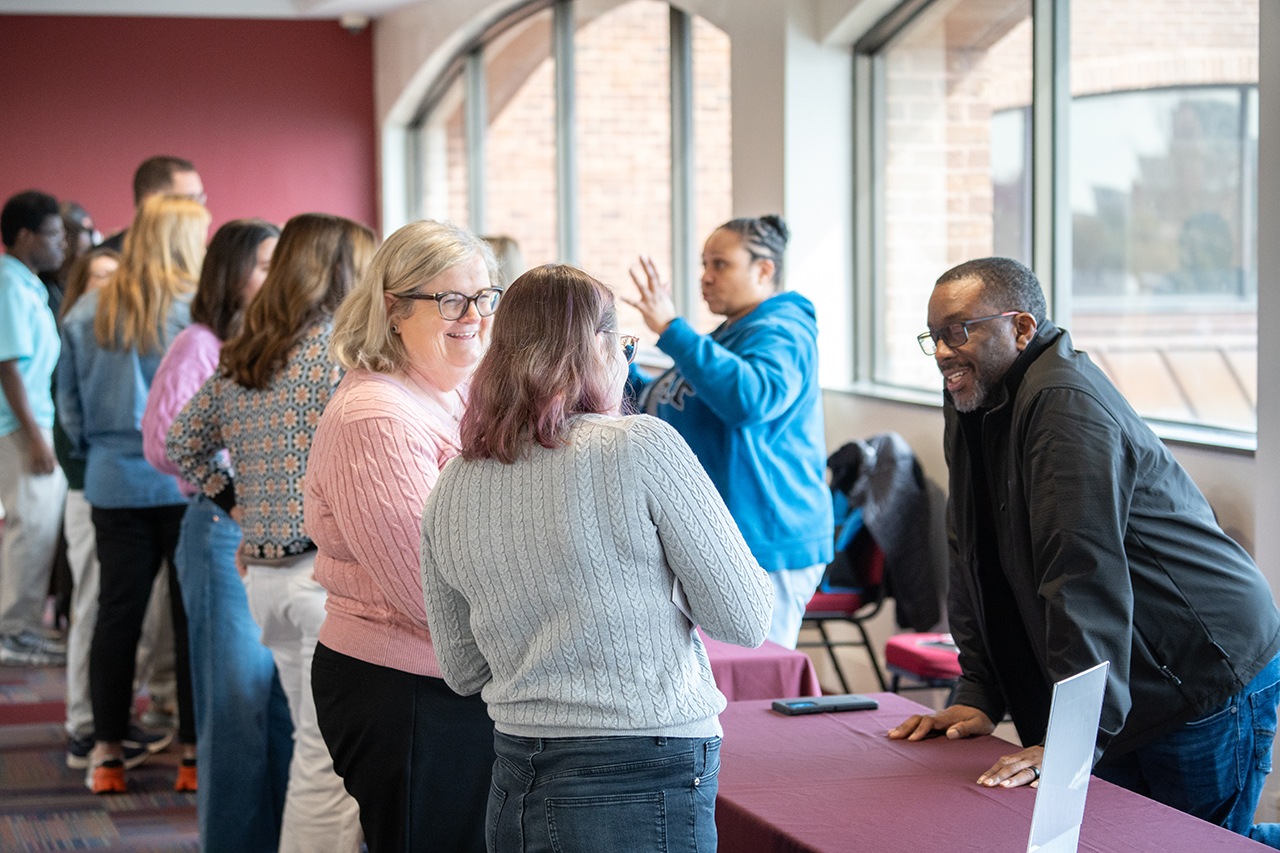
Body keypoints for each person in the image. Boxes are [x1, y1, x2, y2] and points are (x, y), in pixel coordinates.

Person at [887, 256, 1280, 847]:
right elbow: (971, 550)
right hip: (1124, 679)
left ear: (1021, 328)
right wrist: (979, 692)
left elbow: (1080, 577)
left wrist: (1074, 740)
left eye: (960, 330)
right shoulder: (973, 395)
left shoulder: (1063, 404)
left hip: (1199, 669)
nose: (944, 351)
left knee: (1198, 844)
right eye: (936, 335)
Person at [420, 264, 774, 853]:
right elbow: (745, 619)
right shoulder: (641, 446)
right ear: (597, 346)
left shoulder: (454, 480)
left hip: (515, 768)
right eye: (626, 345)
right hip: (642, 764)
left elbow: (462, 671)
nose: (628, 362)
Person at [168, 213, 373, 853]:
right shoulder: (339, 354)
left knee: (312, 755)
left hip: (266, 578)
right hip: (322, 581)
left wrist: (241, 508)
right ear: (341, 271)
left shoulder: (249, 352)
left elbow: (183, 443)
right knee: (330, 766)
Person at [307, 220, 499, 852]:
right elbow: (424, 591)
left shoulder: (456, 392)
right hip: (403, 690)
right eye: (450, 300)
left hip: (455, 681)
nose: (472, 316)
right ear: (393, 308)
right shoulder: (376, 417)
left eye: (484, 297)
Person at [142, 219, 290, 852]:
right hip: (220, 528)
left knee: (278, 707)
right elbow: (163, 443)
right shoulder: (200, 344)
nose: (274, 276)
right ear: (231, 274)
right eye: (262, 264)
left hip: (273, 533)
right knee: (235, 711)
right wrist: (241, 470)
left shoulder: (272, 342)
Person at [57, 194, 210, 793]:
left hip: (112, 481)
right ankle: (193, 758)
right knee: (189, 617)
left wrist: (102, 448)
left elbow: (68, 411)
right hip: (183, 480)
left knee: (113, 618)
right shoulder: (195, 311)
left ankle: (106, 756)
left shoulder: (82, 312)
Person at [625, 215, 832, 648]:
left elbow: (749, 399)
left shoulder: (783, 330)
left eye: (720, 264)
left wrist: (672, 330)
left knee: (752, 677)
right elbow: (665, 405)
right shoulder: (725, 336)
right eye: (704, 264)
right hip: (720, 538)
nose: (706, 277)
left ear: (764, 269)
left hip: (765, 537)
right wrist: (615, 363)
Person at [0, 190, 69, 666]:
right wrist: (37, 437)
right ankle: (14, 631)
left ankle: (22, 626)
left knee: (40, 530)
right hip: (22, 429)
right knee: (30, 530)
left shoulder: (27, 282)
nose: (63, 243)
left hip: (37, 424)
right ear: (25, 236)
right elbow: (8, 367)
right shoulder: (7, 282)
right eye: (54, 233)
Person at [99, 156, 204, 252]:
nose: (200, 209)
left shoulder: (200, 255)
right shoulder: (106, 259)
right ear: (150, 201)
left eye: (200, 199)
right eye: (190, 200)